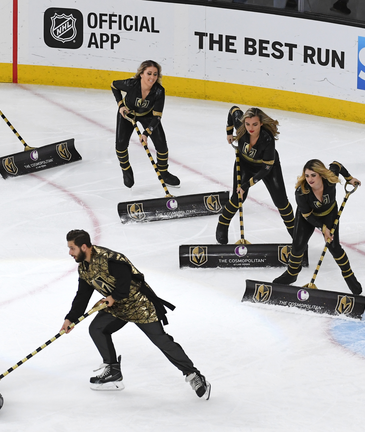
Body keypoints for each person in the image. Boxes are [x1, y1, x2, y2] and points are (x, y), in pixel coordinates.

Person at [62, 229, 211, 399]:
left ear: (83, 247)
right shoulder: (84, 269)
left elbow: (125, 282)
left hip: (139, 305)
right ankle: (113, 372)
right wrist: (70, 319)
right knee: (96, 328)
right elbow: (82, 296)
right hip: (117, 306)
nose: (70, 252)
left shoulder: (109, 258)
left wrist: (114, 297)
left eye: (72, 248)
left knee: (162, 341)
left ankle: (194, 375)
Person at [273, 159, 363, 295]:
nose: (310, 179)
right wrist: (323, 228)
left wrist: (349, 178)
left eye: (313, 175)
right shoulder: (301, 192)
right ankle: (292, 273)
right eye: (307, 175)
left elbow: (336, 165)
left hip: (329, 214)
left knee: (334, 247)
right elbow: (307, 215)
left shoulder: (330, 179)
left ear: (321, 174)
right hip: (308, 217)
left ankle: (349, 276)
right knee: (298, 245)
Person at [215, 106, 295, 244]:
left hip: (268, 167)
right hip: (244, 164)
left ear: (261, 123)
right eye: (247, 124)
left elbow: (265, 169)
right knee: (238, 197)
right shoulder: (241, 125)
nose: (250, 128)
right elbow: (233, 110)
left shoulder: (267, 140)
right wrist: (229, 132)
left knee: (281, 201)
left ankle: (296, 233)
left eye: (255, 124)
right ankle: (222, 224)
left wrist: (246, 185)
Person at [110, 60, 180, 188]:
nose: (152, 77)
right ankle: (126, 169)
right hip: (127, 114)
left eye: (155, 74)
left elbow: (157, 117)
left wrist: (146, 133)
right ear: (141, 74)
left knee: (162, 146)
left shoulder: (159, 91)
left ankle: (163, 172)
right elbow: (114, 85)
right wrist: (120, 105)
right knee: (120, 145)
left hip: (148, 116)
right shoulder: (131, 84)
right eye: (149, 73)